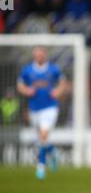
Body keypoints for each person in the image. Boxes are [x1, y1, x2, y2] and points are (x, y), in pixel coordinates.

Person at [17, 46, 68, 180]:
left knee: (43, 134)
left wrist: (58, 91)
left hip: (50, 107)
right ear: (34, 56)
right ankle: (52, 151)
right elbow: (20, 85)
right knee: (41, 139)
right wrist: (26, 90)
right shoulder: (27, 70)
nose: (39, 57)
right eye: (37, 55)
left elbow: (63, 83)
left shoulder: (53, 69)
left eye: (41, 54)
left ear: (45, 55)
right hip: (34, 108)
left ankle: (41, 167)